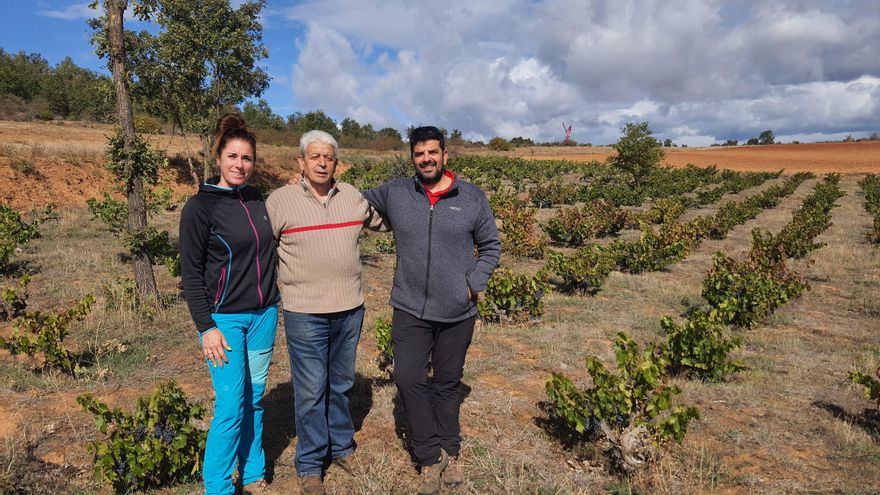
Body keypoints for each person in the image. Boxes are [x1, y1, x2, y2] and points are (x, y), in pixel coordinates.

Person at [362, 126, 500, 495]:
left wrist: (472, 283)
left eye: (432, 152)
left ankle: (450, 450)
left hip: (457, 311)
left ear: (445, 156)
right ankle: (428, 455)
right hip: (409, 307)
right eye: (419, 153)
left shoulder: (471, 198)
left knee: (447, 382)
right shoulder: (396, 192)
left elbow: (491, 246)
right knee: (407, 379)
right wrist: (310, 185)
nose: (426, 159)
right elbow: (352, 200)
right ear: (412, 158)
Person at [266, 130, 384, 495]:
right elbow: (256, 248)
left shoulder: (351, 196)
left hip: (350, 308)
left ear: (336, 162)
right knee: (310, 388)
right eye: (314, 156)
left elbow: (388, 219)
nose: (321, 162)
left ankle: (342, 445)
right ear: (300, 161)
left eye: (328, 157)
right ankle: (311, 462)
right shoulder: (279, 201)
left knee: (342, 382)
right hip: (305, 311)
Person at [179, 113, 280, 495]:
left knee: (254, 400)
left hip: (264, 315)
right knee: (230, 405)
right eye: (233, 157)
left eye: (248, 158)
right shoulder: (200, 208)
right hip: (225, 323)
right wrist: (206, 327)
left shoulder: (256, 199)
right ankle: (218, 487)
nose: (240, 165)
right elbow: (190, 274)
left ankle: (253, 475)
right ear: (218, 158)